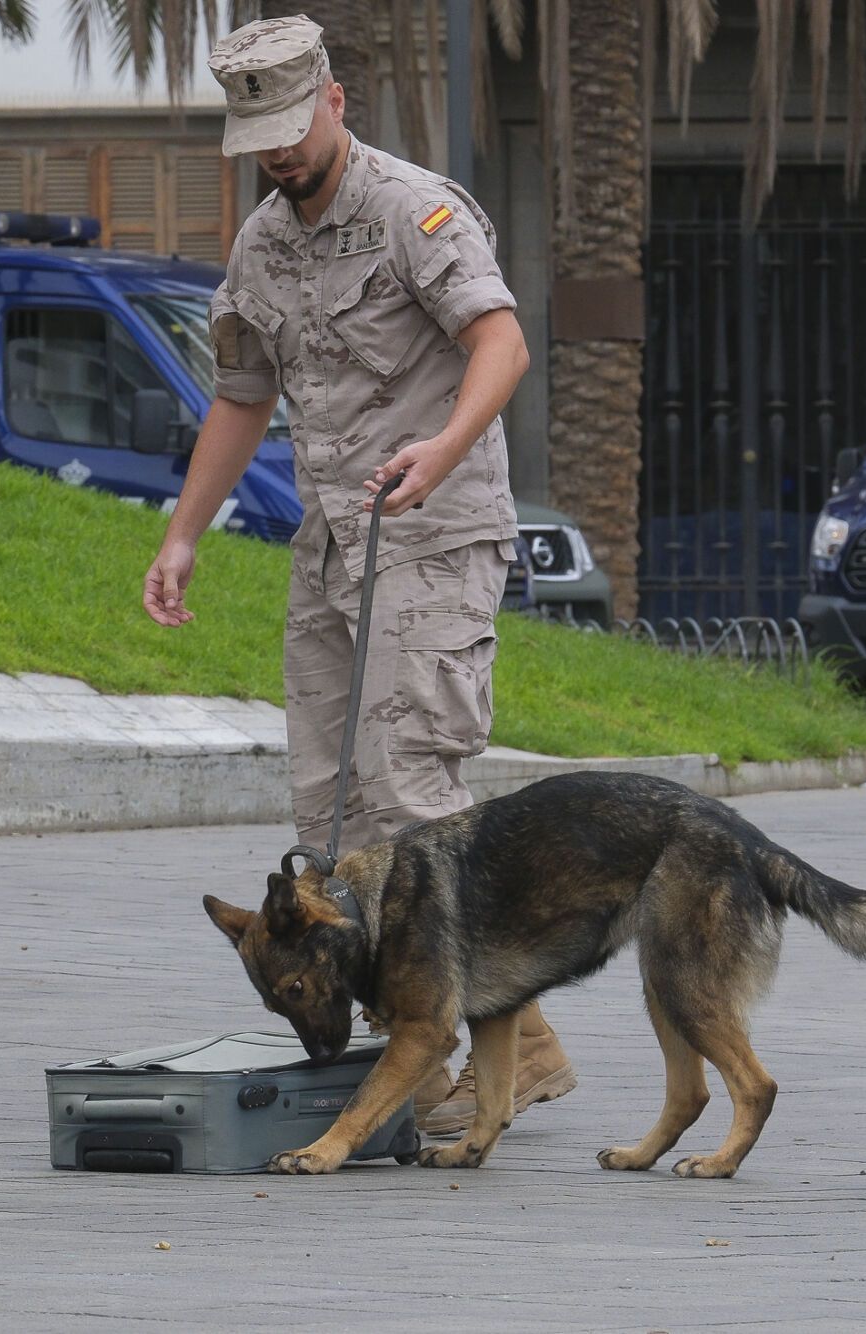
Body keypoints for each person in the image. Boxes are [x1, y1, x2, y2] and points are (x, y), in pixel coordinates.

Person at [141, 16, 575, 1137]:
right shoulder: (261, 247)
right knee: (328, 824)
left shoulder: (413, 210)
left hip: (432, 534)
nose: (278, 154)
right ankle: (498, 1041)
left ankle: (482, 1057)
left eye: (291, 128)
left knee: (412, 805)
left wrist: (443, 445)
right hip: (333, 548)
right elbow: (240, 395)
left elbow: (500, 343)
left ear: (332, 99)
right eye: (259, 139)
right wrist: (184, 533)